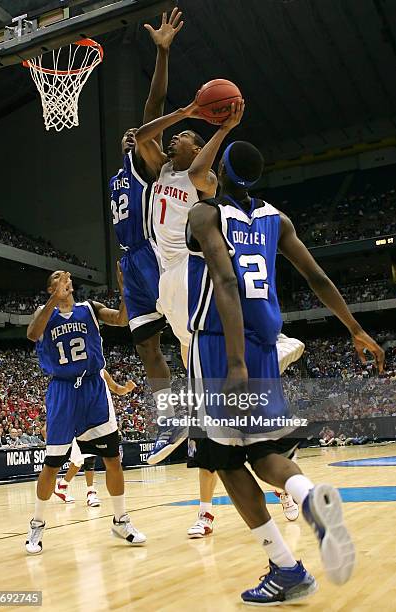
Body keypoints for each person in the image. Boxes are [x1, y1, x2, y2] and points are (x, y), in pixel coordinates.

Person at [186, 140, 384, 603]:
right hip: (264, 346)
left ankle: (285, 567)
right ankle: (311, 497)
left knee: (223, 461)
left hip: (222, 346)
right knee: (263, 453)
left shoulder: (205, 215)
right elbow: (316, 277)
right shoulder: (277, 219)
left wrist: (232, 361)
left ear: (220, 173)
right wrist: (355, 328)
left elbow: (226, 280)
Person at [136, 100, 305, 534]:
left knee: (198, 354)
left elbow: (201, 172)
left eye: (188, 137)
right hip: (165, 270)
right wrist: (189, 108)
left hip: (193, 267)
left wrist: (220, 129)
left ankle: (179, 420)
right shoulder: (160, 173)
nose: (178, 138)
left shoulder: (205, 181)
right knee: (183, 351)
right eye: (178, 137)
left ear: (203, 152)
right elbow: (142, 135)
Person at [24, 270, 145, 554]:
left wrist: (125, 289)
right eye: (56, 279)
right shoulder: (44, 312)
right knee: (52, 465)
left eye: (64, 278)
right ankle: (36, 525)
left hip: (93, 389)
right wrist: (53, 301)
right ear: (50, 288)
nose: (63, 280)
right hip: (63, 392)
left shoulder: (89, 309)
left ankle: (120, 520)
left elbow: (122, 319)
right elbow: (32, 334)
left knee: (113, 459)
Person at [110, 9, 183, 445]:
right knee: (146, 347)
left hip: (153, 255)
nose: (131, 135)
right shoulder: (117, 176)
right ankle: (170, 419)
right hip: (130, 264)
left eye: (138, 134)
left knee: (186, 332)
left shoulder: (143, 163)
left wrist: (162, 54)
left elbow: (153, 106)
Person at [54, 370, 136, 507]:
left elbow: (116, 388)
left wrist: (127, 389)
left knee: (78, 461)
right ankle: (90, 492)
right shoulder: (73, 373)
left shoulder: (101, 371)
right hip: (79, 422)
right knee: (86, 457)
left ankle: (62, 485)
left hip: (98, 420)